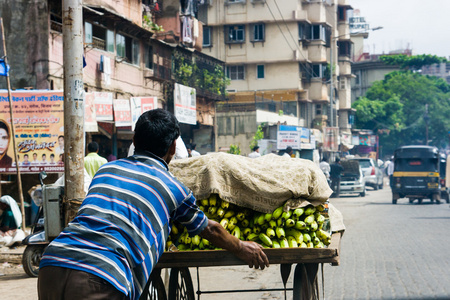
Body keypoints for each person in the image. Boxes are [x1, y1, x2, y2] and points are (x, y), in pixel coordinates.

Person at [38, 109, 268, 300]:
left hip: (52, 263)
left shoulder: (106, 170)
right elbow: (209, 229)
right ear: (171, 148)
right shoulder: (173, 188)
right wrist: (240, 247)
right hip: (101, 274)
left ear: (135, 140)